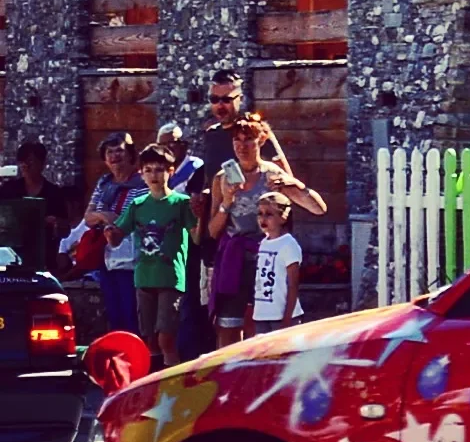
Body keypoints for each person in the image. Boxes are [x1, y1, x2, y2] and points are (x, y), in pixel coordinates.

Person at [206, 115, 325, 346]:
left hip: (268, 257)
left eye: (248, 139)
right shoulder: (222, 178)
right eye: (237, 140)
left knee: (261, 328)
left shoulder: (272, 174)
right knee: (228, 327)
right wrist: (227, 201)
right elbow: (212, 231)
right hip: (235, 258)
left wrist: (292, 185)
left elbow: (319, 208)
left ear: (260, 141)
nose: (242, 146)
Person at [111, 145, 193, 368]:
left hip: (170, 278)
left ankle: (173, 378)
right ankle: (154, 381)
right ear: (141, 173)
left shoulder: (182, 203)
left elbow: (196, 235)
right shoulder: (137, 205)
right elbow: (116, 237)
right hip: (144, 278)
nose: (154, 175)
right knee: (149, 339)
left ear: (171, 171)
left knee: (166, 337)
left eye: (160, 169)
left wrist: (202, 210)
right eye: (149, 170)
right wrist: (110, 231)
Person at [79, 133, 145, 337]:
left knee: (131, 314)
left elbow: (138, 218)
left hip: (131, 258)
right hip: (106, 257)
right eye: (110, 152)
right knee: (114, 315)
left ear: (131, 155)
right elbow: (88, 217)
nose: (115, 156)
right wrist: (105, 215)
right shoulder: (104, 183)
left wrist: (113, 219)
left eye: (120, 151)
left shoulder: (141, 183)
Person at [0, 140, 78, 272]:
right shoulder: (8, 190)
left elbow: (65, 230)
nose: (25, 166)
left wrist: (55, 223)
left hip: (45, 254)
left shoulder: (54, 193)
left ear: (42, 164)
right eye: (22, 162)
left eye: (31, 161)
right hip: (11, 253)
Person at [247, 191, 305, 335]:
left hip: (282, 316)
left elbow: (293, 284)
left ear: (283, 217)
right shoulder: (263, 244)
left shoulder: (288, 245)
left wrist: (287, 319)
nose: (263, 218)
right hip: (262, 315)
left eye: (269, 214)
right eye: (260, 214)